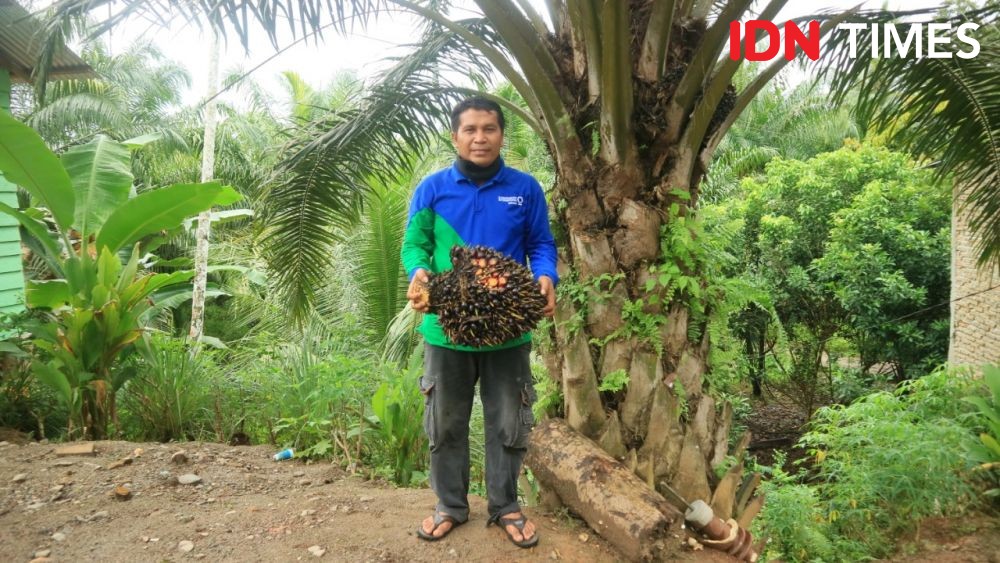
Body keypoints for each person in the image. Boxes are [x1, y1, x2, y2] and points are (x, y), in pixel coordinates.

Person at [401, 97, 558, 548]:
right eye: (470, 129)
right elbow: (415, 245)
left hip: (508, 333)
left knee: (509, 422)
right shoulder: (432, 190)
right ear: (456, 137)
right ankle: (450, 505)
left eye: (489, 128)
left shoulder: (525, 190)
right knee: (445, 423)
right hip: (444, 332)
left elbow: (542, 244)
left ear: (501, 135)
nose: (480, 137)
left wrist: (546, 276)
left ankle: (505, 506)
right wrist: (418, 273)